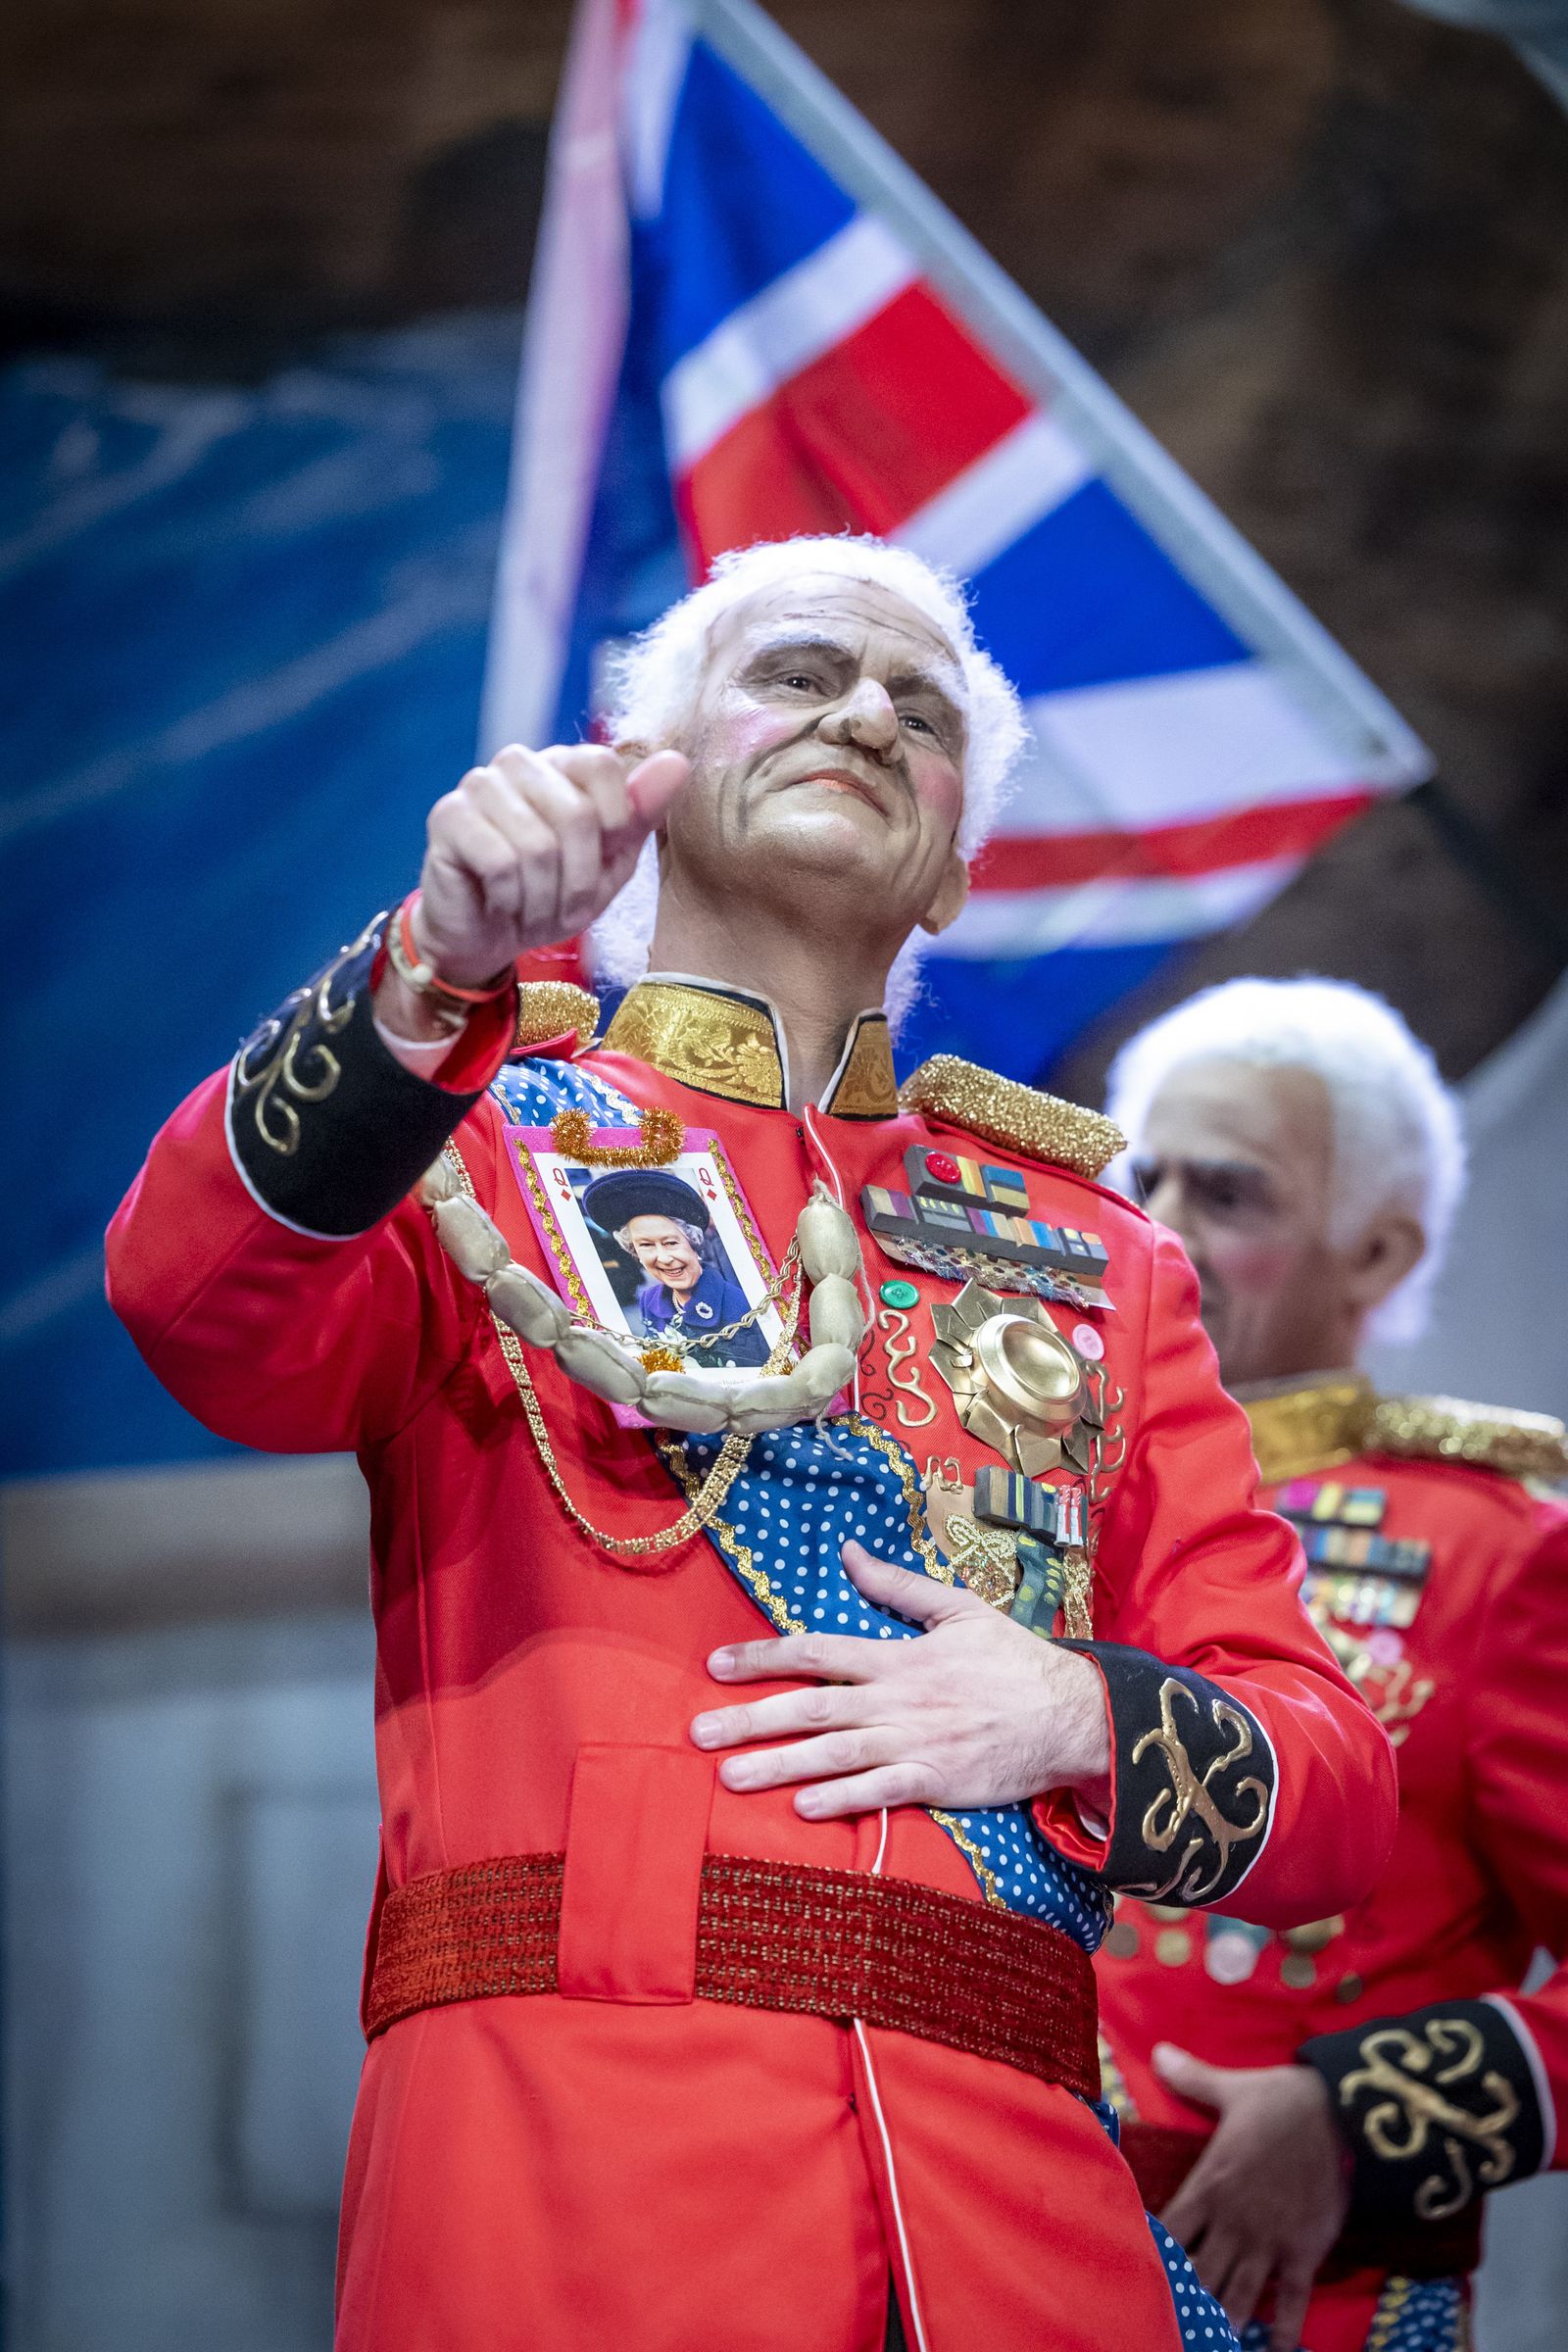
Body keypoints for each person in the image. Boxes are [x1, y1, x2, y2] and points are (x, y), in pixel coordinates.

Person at [107, 537, 1396, 2352]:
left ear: (951, 867)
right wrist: (421, 975)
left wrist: (1076, 1712)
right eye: (799, 677)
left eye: (922, 712)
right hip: (566, 2171)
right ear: (647, 778)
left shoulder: (1106, 1264)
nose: (866, 711)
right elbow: (194, 1306)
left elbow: (1335, 1791)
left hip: (1023, 2224)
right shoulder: (472, 1133)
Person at [1096, 976, 1568, 2352]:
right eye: (1146, 1177)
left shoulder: (1495, 1553)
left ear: (1374, 1254)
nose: (1162, 1228)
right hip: (967, 2239)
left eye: (1230, 1195)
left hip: (1294, 2303)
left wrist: (1362, 2114)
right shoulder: (1028, 1489)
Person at [579, 1166, 769, 1367]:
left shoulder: (742, 1305)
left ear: (693, 1242)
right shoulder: (649, 1300)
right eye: (646, 1245)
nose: (664, 1258)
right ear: (634, 1252)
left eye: (671, 1243)